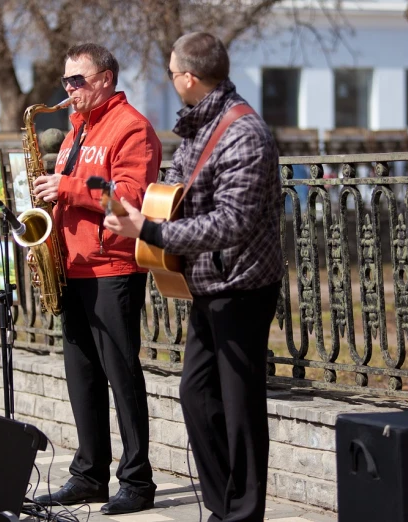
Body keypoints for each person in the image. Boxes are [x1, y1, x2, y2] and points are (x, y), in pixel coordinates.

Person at [103, 32, 283, 522]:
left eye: (170, 73)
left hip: (242, 284)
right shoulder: (202, 125)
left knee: (240, 406)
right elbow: (177, 185)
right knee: (197, 395)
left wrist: (151, 230)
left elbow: (233, 223)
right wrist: (133, 207)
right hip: (209, 282)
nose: (171, 81)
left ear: (187, 77)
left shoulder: (244, 133)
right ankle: (223, 505)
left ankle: (242, 513)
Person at [32, 43, 161, 515]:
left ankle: (137, 480)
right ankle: (89, 475)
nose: (68, 89)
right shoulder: (74, 132)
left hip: (113, 268)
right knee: (82, 377)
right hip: (73, 266)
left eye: (77, 80)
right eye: (65, 81)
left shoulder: (133, 129)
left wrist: (64, 186)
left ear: (105, 78)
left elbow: (126, 198)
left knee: (121, 376)